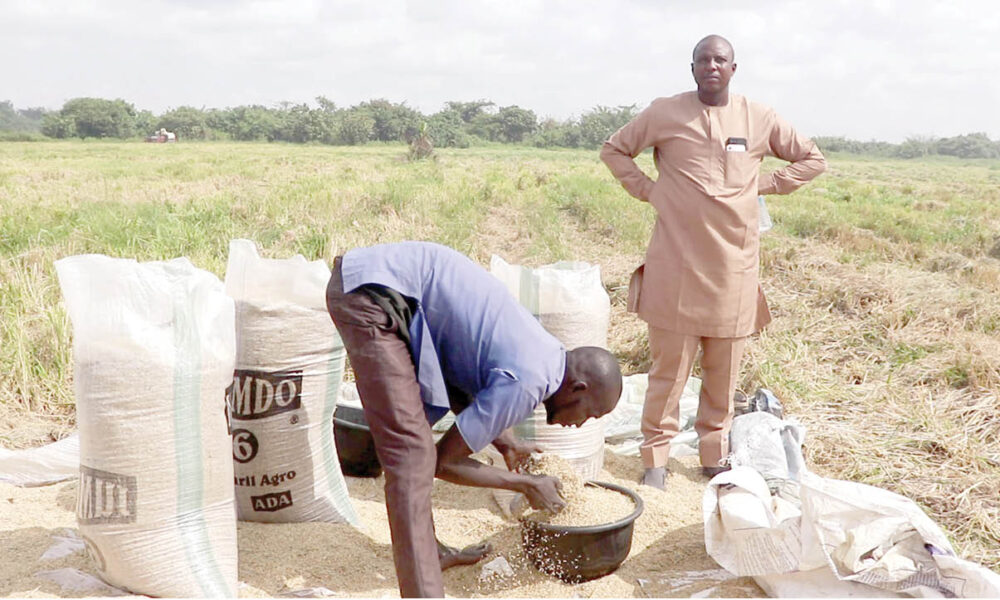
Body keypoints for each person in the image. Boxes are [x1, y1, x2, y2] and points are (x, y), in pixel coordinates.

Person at [325, 241, 623, 598]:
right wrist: (525, 485)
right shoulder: (529, 383)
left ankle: (430, 553)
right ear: (578, 387)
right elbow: (442, 463)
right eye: (591, 413)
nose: (581, 424)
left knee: (416, 448)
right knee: (412, 457)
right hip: (374, 296)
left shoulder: (544, 354)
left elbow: (472, 384)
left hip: (395, 291)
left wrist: (507, 443)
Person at [599, 35, 826, 490]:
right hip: (675, 264)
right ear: (693, 68)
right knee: (668, 372)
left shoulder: (758, 117)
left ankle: (711, 456)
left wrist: (765, 184)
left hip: (734, 268)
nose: (711, 66)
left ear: (733, 68)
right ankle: (655, 460)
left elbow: (812, 159)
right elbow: (614, 150)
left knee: (723, 377)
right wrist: (649, 190)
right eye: (703, 60)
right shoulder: (665, 112)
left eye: (720, 59)